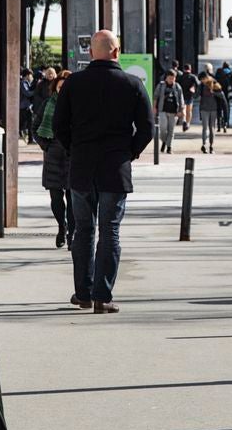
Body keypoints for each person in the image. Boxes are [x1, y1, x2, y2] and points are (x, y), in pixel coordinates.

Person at [51, 30, 152, 313]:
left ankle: (82, 292)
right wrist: (129, 152)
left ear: (91, 52)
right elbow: (147, 128)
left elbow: (59, 126)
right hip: (114, 168)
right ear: (117, 51)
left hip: (82, 168)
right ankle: (102, 296)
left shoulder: (74, 84)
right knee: (110, 231)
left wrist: (75, 149)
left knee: (82, 230)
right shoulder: (132, 84)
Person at [36, 69, 73, 247]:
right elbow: (36, 127)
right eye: (60, 87)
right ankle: (62, 226)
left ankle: (72, 233)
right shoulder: (48, 104)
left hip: (73, 156)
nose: (62, 90)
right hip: (53, 156)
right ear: (55, 87)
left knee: (73, 198)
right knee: (56, 198)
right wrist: (46, 146)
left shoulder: (79, 105)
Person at [153, 72, 185, 153]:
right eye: (170, 78)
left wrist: (181, 110)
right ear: (166, 77)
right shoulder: (161, 85)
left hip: (174, 112)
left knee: (171, 130)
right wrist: (154, 107)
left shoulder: (177, 87)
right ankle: (164, 141)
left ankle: (169, 147)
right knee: (163, 129)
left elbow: (181, 99)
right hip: (162, 110)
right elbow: (156, 97)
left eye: (173, 78)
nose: (172, 80)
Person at [177, 63, 201, 130]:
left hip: (182, 95)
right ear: (190, 69)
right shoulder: (193, 77)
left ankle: (184, 120)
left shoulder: (180, 77)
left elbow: (177, 85)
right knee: (189, 110)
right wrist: (195, 91)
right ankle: (188, 123)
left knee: (183, 109)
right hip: (190, 95)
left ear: (184, 69)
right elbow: (199, 84)